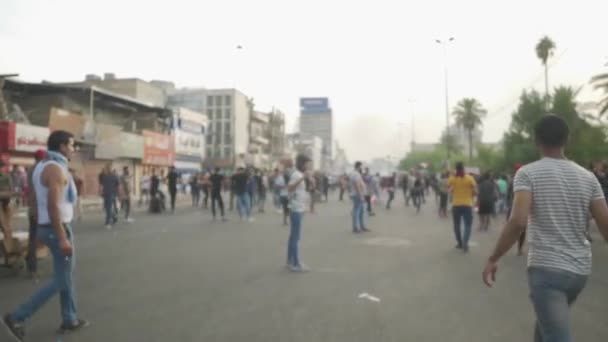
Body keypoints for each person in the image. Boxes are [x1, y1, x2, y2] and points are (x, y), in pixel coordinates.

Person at [483, 114, 608, 342]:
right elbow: (606, 226)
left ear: (536, 141)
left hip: (547, 271)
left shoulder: (528, 173)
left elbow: (518, 221)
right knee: (548, 326)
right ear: (567, 140)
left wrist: (493, 258)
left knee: (555, 332)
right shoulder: (589, 178)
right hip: (579, 271)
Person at [3, 130, 89, 342]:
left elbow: (36, 199)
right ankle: (16, 317)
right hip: (56, 227)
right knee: (61, 280)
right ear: (61, 146)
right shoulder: (55, 170)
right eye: (71, 144)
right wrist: (61, 237)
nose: (73, 148)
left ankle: (69, 319)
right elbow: (52, 206)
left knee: (66, 276)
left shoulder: (43, 165)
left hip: (48, 226)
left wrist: (40, 225)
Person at [286, 154, 313, 272]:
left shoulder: (301, 175)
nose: (309, 165)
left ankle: (290, 261)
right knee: (295, 238)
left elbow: (307, 190)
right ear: (302, 163)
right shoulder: (296, 174)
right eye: (307, 163)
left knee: (293, 237)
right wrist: (303, 178)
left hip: (300, 208)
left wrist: (310, 180)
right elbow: (290, 188)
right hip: (296, 209)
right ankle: (296, 263)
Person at [25, 150, 46, 279]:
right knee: (36, 239)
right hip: (39, 209)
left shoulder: (31, 169)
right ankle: (33, 268)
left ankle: (30, 260)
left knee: (33, 237)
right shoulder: (40, 169)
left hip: (33, 208)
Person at [448, 161, 477, 252]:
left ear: (456, 168)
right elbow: (475, 191)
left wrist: (453, 190)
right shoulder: (469, 178)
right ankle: (465, 243)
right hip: (467, 205)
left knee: (456, 225)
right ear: (464, 168)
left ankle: (459, 243)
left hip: (456, 205)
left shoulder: (452, 178)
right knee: (468, 225)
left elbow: (449, 189)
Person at [349, 162, 369, 233]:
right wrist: (361, 195)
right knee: (357, 211)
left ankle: (362, 226)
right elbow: (357, 185)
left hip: (357, 194)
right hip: (357, 195)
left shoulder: (354, 173)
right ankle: (356, 228)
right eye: (361, 167)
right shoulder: (356, 174)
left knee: (361, 211)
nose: (362, 168)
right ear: (358, 166)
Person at [100, 164, 119, 229]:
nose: (107, 170)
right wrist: (101, 191)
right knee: (106, 207)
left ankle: (108, 222)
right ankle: (114, 217)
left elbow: (118, 185)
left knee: (108, 208)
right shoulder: (104, 177)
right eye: (107, 169)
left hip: (111, 194)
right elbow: (102, 185)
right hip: (106, 194)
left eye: (108, 169)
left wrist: (119, 193)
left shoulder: (115, 176)